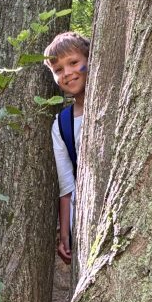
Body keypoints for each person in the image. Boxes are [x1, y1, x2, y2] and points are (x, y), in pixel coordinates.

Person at [44, 31, 90, 265]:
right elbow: (67, 186)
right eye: (58, 69)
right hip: (86, 215)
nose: (68, 73)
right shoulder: (62, 124)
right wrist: (65, 234)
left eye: (73, 62)